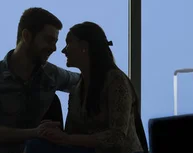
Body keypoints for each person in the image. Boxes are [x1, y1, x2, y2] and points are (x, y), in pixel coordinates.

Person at [0, 7, 81, 153]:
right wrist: (36, 132)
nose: (54, 48)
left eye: (55, 42)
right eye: (49, 40)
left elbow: (85, 80)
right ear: (27, 36)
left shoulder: (51, 74)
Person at [23, 21, 148, 153]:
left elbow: (116, 137)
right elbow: (71, 135)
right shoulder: (76, 89)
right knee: (36, 144)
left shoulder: (116, 80)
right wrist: (54, 135)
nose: (64, 50)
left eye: (69, 43)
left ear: (84, 46)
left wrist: (67, 139)